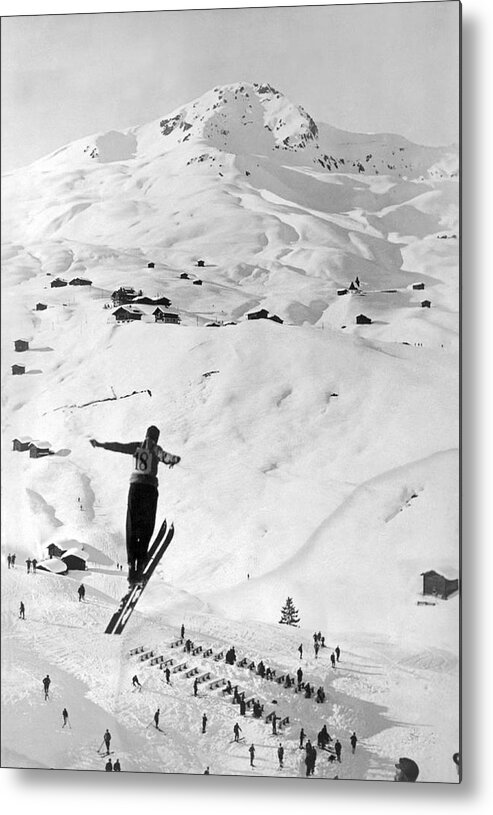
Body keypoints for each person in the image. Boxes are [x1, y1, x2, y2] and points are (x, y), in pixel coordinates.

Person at [90, 426, 180, 585]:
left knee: (132, 526)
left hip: (135, 489)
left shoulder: (137, 446)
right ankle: (141, 561)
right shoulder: (156, 448)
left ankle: (132, 570)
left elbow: (119, 446)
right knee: (146, 525)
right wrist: (172, 459)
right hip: (150, 489)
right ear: (156, 438)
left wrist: (101, 444)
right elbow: (163, 455)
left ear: (145, 435)